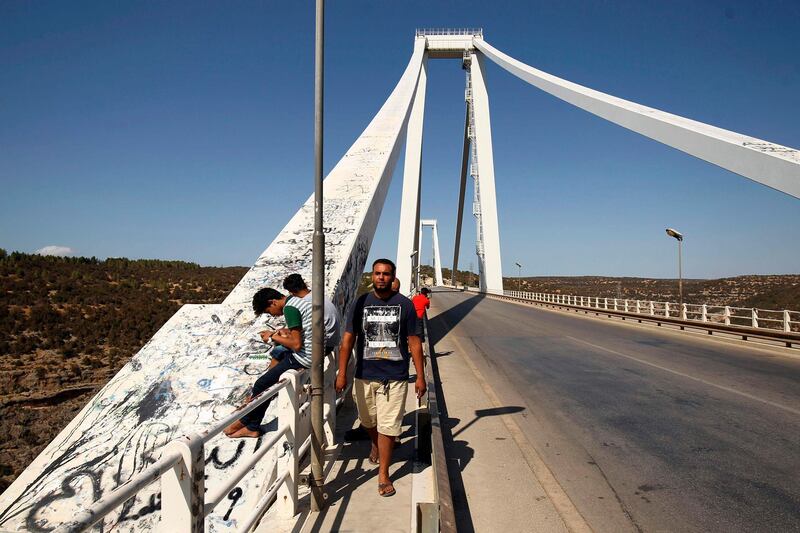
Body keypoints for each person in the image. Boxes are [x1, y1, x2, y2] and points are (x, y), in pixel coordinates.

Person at [335, 258, 426, 497]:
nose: (381, 277)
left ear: (393, 276)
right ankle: (375, 443)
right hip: (364, 375)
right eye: (377, 273)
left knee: (389, 426)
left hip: (395, 377)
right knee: (368, 422)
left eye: (386, 274)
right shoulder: (360, 303)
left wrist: (420, 377)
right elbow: (347, 341)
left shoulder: (404, 305)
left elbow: (414, 343)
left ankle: (383, 474)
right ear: (372, 276)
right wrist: (342, 373)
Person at [225, 287, 312, 438]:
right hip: (312, 351)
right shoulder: (297, 302)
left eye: (268, 311)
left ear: (272, 302)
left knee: (261, 384)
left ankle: (249, 424)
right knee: (276, 357)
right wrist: (281, 334)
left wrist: (272, 338)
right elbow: (300, 333)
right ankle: (249, 420)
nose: (271, 315)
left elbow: (296, 344)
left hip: (304, 356)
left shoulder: (290, 309)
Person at [282, 273, 341, 353]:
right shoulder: (318, 295)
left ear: (292, 292)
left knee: (281, 349)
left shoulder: (305, 303)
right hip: (333, 340)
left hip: (325, 344)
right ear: (304, 284)